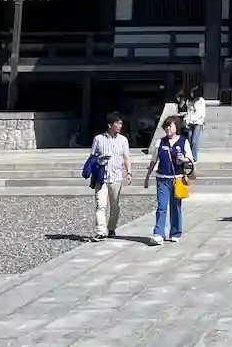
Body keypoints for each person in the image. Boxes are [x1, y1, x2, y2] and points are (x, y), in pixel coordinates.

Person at [144, 116, 193, 244]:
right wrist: (148, 176)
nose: (168, 128)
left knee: (175, 207)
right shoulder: (160, 142)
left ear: (176, 127)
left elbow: (190, 161)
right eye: (166, 126)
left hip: (178, 179)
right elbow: (154, 160)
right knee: (161, 206)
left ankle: (175, 232)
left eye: (170, 126)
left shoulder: (183, 142)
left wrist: (184, 159)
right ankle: (158, 233)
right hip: (162, 179)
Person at [88, 112, 132, 241]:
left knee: (115, 206)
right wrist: (99, 160)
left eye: (121, 123)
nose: (120, 126)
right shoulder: (98, 139)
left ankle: (111, 228)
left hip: (116, 177)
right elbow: (92, 157)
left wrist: (129, 172)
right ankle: (100, 231)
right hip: (101, 177)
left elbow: (126, 157)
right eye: (118, 123)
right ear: (110, 125)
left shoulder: (123, 140)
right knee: (100, 205)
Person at [185, 86, 206, 169]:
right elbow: (188, 112)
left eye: (193, 92)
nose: (191, 94)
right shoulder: (189, 101)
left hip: (198, 123)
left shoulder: (201, 101)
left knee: (194, 140)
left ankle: (194, 158)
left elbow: (200, 113)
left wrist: (192, 119)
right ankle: (190, 157)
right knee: (189, 140)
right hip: (190, 123)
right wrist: (187, 121)